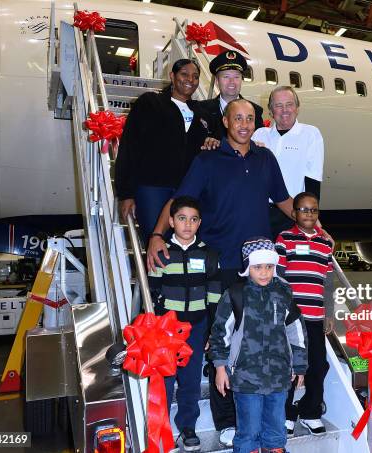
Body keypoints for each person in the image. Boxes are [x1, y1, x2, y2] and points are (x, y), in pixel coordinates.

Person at [146, 99, 296, 447]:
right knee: (224, 347)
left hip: (258, 268)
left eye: (249, 119)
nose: (244, 124)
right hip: (221, 268)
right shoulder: (207, 160)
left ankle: (262, 418)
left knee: (258, 345)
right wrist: (157, 235)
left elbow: (285, 201)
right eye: (237, 118)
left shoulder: (265, 159)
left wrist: (315, 225)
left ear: (256, 124)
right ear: (225, 121)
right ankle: (227, 420)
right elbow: (180, 201)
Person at [210, 237, 308, 453]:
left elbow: (297, 332)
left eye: (269, 266)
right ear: (247, 267)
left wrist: (299, 366)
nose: (264, 272)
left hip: (279, 376)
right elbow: (220, 334)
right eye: (257, 267)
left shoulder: (284, 294)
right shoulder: (235, 295)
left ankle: (275, 449)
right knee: (249, 428)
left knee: (276, 424)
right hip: (246, 377)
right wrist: (220, 367)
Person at [147, 196, 221, 452]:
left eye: (193, 219)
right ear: (171, 221)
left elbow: (213, 298)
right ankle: (161, 427)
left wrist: (212, 330)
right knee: (165, 379)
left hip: (197, 326)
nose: (187, 224)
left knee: (190, 379)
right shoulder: (161, 253)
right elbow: (153, 294)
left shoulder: (209, 255)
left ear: (199, 223)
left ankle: (187, 427)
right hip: (167, 328)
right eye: (181, 218)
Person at [115, 58, 217, 243]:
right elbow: (130, 147)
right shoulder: (150, 103)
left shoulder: (203, 113)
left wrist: (214, 140)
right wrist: (125, 194)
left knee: (186, 245)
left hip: (189, 190)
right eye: (184, 74)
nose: (190, 80)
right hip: (153, 188)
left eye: (195, 77)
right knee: (156, 241)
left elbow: (218, 141)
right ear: (172, 76)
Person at [275, 192, 335, 437]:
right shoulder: (284, 238)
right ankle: (286, 415)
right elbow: (277, 278)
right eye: (303, 209)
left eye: (313, 210)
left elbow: (328, 282)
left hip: (315, 317)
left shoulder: (326, 243)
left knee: (318, 366)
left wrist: (329, 313)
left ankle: (310, 412)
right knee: (289, 368)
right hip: (291, 319)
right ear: (294, 213)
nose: (309, 214)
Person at [252, 86, 325, 238]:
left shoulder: (311, 134)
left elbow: (313, 181)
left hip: (290, 215)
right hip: (257, 213)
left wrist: (312, 218)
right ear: (271, 111)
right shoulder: (259, 134)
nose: (284, 110)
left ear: (297, 108)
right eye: (278, 105)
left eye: (289, 104)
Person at [200, 50, 264, 140]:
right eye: (226, 77)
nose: (232, 82)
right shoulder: (202, 110)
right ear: (217, 82)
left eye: (236, 77)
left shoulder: (255, 111)